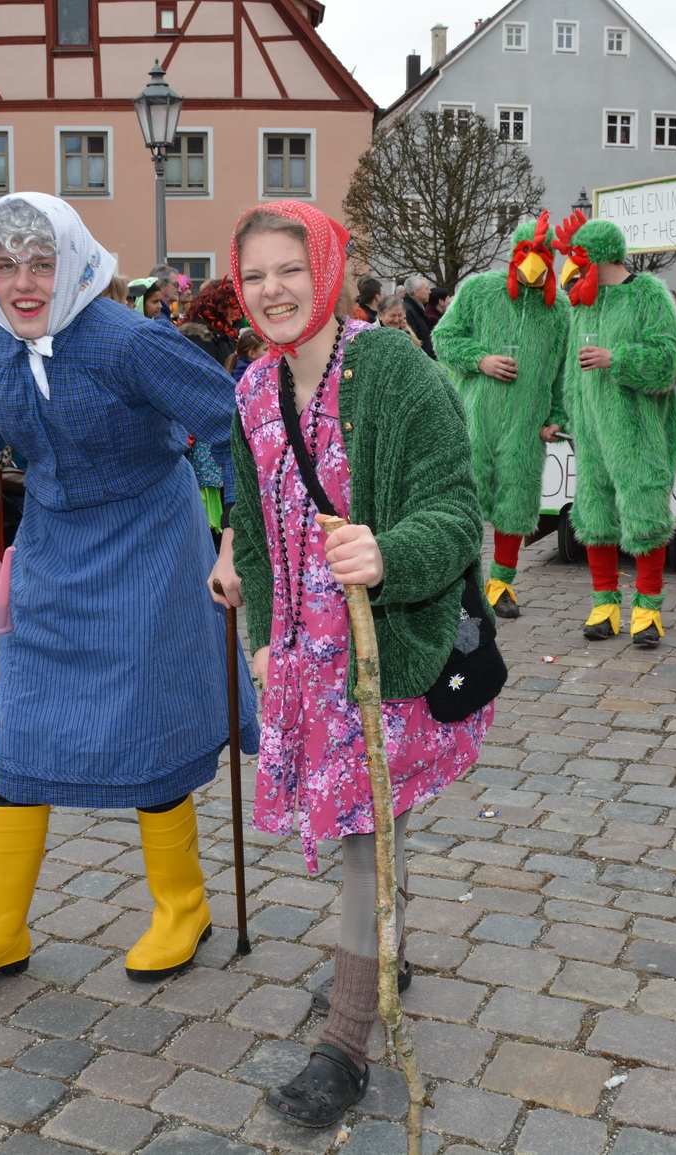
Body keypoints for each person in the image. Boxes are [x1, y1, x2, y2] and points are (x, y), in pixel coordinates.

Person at [0, 192, 257, 998]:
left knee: (147, 718)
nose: (22, 283)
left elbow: (235, 427)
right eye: (3, 266)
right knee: (21, 727)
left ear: (72, 263)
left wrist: (237, 537)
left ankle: (184, 905)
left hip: (150, 541)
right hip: (53, 548)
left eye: (40, 263)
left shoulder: (132, 341)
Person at [223, 200, 491, 1127]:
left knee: (366, 831)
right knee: (370, 825)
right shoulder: (254, 389)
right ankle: (384, 950)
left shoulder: (391, 369)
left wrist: (389, 553)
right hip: (302, 660)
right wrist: (261, 630)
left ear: (328, 267)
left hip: (385, 654)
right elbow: (253, 531)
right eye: (255, 275)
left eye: (289, 269)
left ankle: (345, 1043)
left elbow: (456, 511)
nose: (273, 291)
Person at [554, 213, 676, 645]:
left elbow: (672, 361)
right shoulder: (584, 300)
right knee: (594, 515)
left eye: (577, 257)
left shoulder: (647, 293)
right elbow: (570, 371)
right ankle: (604, 604)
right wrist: (566, 416)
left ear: (595, 256)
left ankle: (647, 610)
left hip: (639, 431)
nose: (570, 268)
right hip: (591, 433)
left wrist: (619, 359)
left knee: (645, 512)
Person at [429, 216, 567, 620]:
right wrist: (480, 360)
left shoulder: (558, 309)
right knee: (464, 503)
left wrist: (556, 416)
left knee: (515, 505)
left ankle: (501, 586)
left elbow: (561, 373)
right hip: (474, 419)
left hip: (526, 425)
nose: (533, 265)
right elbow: (444, 338)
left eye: (542, 255)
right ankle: (463, 585)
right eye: (527, 254)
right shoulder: (479, 290)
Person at [178, 278, 241, 368]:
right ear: (219, 307)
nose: (236, 311)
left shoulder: (222, 330)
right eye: (232, 307)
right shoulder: (198, 335)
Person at [401, 274, 436, 358]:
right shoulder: (408, 310)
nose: (430, 292)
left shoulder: (417, 309)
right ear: (417, 292)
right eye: (427, 288)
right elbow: (414, 341)